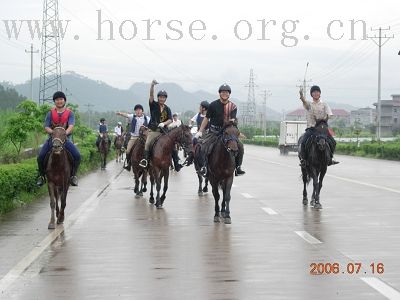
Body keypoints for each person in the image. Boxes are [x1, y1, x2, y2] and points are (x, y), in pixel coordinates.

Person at [195, 84, 245, 177]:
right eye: (222, 92)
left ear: (229, 94)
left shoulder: (233, 106)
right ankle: (204, 167)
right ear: (219, 94)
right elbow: (206, 118)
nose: (224, 94)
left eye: (226, 92)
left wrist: (232, 123)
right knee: (204, 146)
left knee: (240, 146)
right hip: (214, 131)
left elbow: (233, 120)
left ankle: (238, 167)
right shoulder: (213, 105)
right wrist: (200, 131)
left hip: (226, 132)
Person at [36, 91, 81, 186]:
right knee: (40, 157)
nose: (59, 101)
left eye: (61, 99)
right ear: (54, 101)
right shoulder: (50, 113)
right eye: (57, 99)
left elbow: (71, 126)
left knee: (77, 156)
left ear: (64, 100)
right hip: (52, 139)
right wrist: (54, 133)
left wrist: (64, 134)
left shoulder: (70, 113)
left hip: (65, 139)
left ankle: (73, 176)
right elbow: (46, 127)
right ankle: (41, 176)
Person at [298, 85, 339, 167]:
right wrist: (301, 96)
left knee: (333, 142)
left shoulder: (324, 104)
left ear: (320, 93)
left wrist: (326, 117)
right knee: (303, 142)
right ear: (311, 94)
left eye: (317, 92)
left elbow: (330, 114)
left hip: (322, 128)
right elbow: (304, 102)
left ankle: (330, 158)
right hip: (311, 128)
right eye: (314, 92)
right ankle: (304, 159)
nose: (316, 93)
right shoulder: (309, 105)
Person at [139, 80, 172, 168]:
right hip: (154, 131)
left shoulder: (167, 109)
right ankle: (145, 160)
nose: (162, 98)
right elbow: (151, 96)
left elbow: (170, 120)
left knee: (172, 144)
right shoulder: (153, 105)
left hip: (163, 131)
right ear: (158, 98)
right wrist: (152, 86)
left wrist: (164, 123)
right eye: (160, 97)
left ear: (165, 99)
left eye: (163, 97)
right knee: (147, 144)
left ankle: (176, 162)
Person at [116, 104, 150, 171]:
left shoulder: (147, 118)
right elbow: (126, 115)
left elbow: (151, 125)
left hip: (144, 137)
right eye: (136, 110)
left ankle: (149, 162)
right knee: (128, 150)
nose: (138, 111)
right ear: (135, 111)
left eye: (139, 110)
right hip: (134, 137)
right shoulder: (133, 117)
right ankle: (128, 164)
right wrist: (120, 113)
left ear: (142, 111)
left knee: (150, 148)